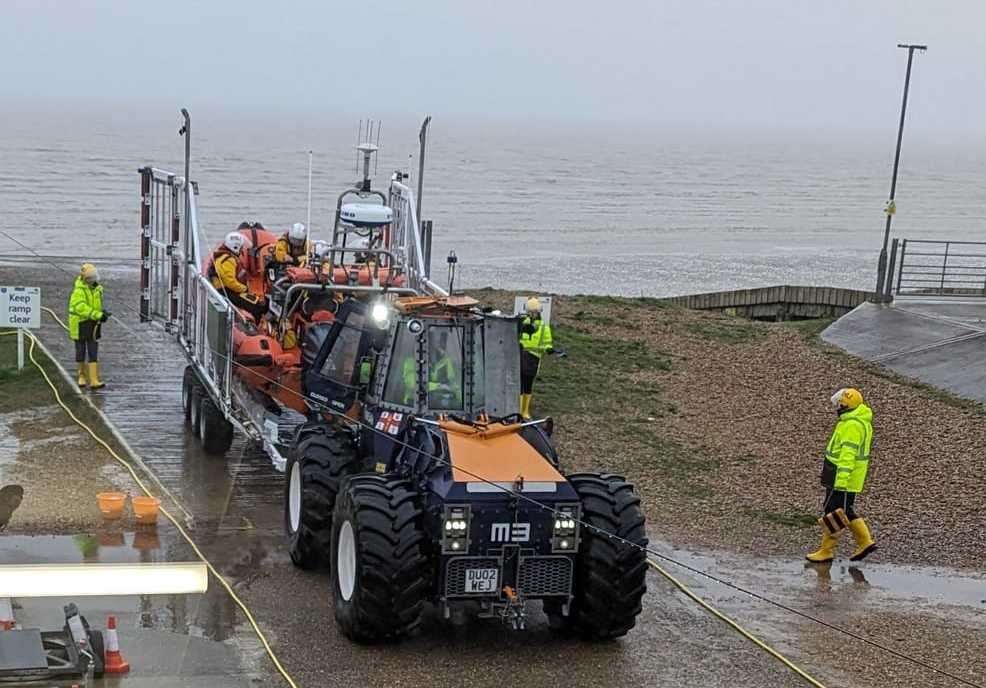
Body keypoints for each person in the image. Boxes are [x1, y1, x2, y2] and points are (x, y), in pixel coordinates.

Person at [806, 388, 877, 563]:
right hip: (844, 477)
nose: (837, 407)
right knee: (842, 510)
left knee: (833, 511)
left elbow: (848, 456)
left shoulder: (852, 425)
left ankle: (827, 550)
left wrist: (841, 480)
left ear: (845, 406)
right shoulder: (857, 421)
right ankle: (864, 542)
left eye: (839, 404)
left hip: (842, 477)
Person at [209, 231, 267, 321]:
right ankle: (257, 325)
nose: (242, 250)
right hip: (227, 292)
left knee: (257, 301)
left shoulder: (226, 257)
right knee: (257, 306)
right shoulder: (228, 260)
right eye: (241, 247)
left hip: (230, 291)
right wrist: (244, 289)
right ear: (236, 247)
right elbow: (229, 282)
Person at [69, 263, 109, 389]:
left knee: (93, 350)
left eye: (95, 278)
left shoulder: (98, 289)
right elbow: (80, 308)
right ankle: (81, 376)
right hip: (80, 325)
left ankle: (94, 379)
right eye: (91, 279)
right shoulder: (78, 291)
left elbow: (97, 305)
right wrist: (97, 315)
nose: (94, 281)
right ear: (85, 279)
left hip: (93, 323)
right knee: (80, 351)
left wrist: (102, 314)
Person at [518, 296, 553, 419]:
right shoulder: (522, 324)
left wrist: (548, 348)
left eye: (534, 312)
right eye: (530, 312)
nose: (532, 314)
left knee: (528, 384)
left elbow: (547, 341)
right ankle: (519, 410)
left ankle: (524, 411)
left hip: (533, 358)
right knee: (521, 384)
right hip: (522, 356)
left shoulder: (544, 327)